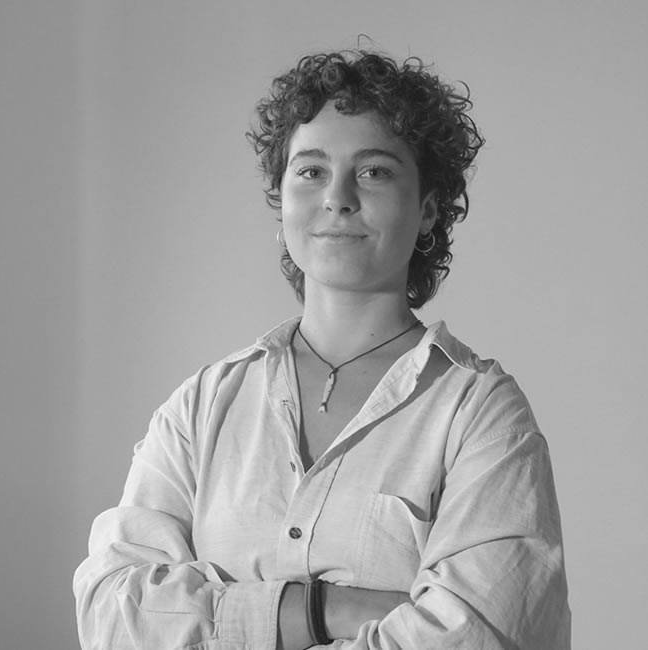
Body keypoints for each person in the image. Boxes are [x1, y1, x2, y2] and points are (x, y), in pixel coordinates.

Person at [74, 50, 571, 649]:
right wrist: (320, 609)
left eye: (374, 171)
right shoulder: (202, 406)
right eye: (310, 171)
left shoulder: (482, 415)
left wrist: (215, 622)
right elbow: (112, 616)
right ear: (282, 198)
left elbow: (483, 637)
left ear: (428, 211)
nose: (337, 197)